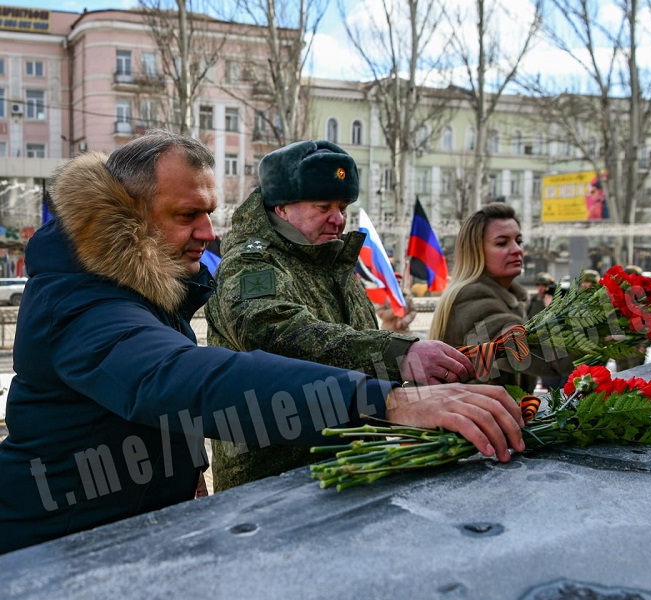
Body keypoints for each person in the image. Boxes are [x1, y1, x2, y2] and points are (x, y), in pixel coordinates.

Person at [0, 131, 524, 555]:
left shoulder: (146, 287)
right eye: (187, 215)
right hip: (50, 545)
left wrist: (187, 477)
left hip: (119, 533)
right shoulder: (83, 300)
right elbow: (182, 380)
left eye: (209, 213)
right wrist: (387, 397)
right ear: (125, 216)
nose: (208, 233)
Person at [204, 140, 475, 489]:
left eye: (343, 207)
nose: (339, 219)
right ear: (282, 208)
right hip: (274, 476)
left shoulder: (332, 262)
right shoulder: (252, 263)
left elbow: (354, 354)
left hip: (349, 463)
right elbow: (273, 333)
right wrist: (400, 353)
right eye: (323, 206)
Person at [428, 203, 573, 391]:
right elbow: (545, 356)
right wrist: (604, 326)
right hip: (474, 417)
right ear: (476, 252)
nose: (517, 250)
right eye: (502, 243)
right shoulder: (474, 299)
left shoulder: (503, 297)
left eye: (518, 241)